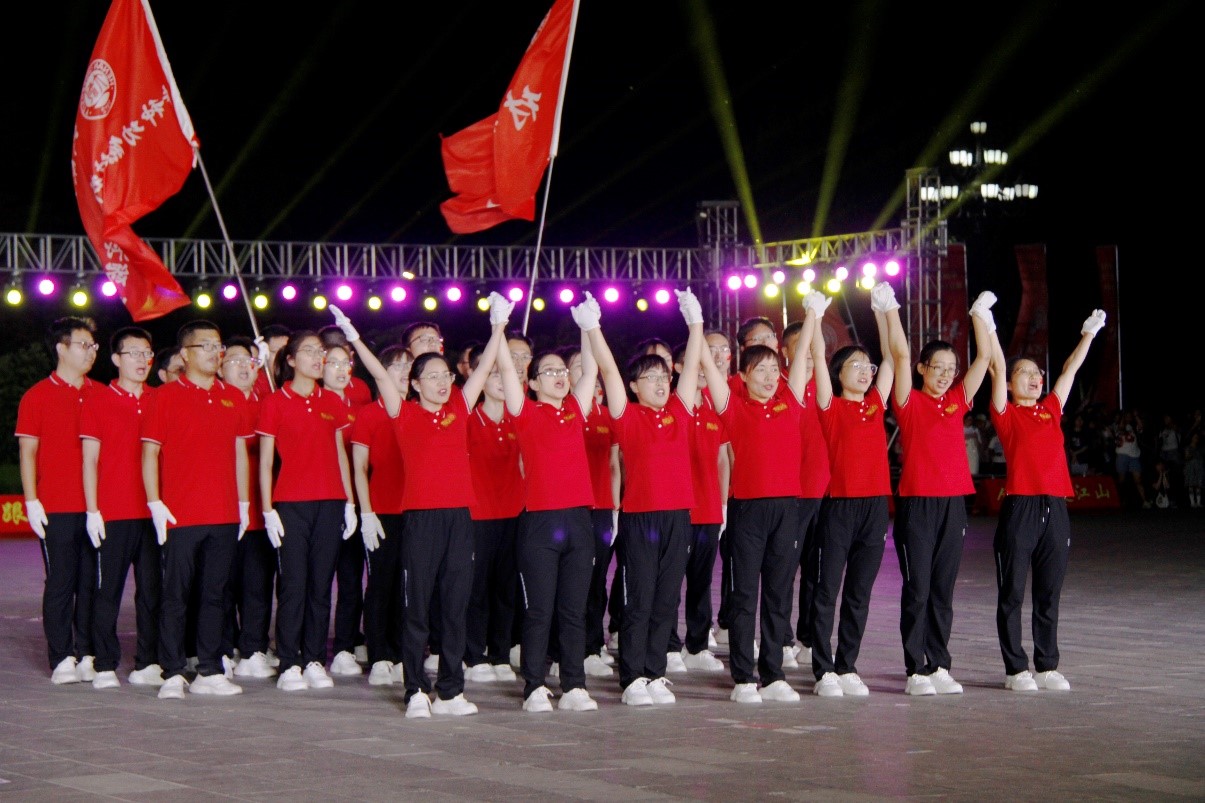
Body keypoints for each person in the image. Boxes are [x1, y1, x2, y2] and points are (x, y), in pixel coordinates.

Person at [335, 302, 506, 718]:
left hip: (459, 519)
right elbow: (379, 374)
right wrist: (353, 335)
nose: (443, 382)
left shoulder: (459, 408)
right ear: (414, 383)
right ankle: (416, 690)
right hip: (420, 520)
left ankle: (451, 691)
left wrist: (498, 325)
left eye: (447, 375)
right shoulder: (404, 413)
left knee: (455, 606)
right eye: (433, 376)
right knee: (416, 608)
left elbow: (484, 368)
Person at [587, 289, 704, 706]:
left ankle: (655, 672)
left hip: (678, 517)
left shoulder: (679, 413)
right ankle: (632, 676)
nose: (660, 383)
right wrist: (593, 328)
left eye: (664, 377)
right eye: (650, 378)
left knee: (667, 599)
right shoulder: (627, 415)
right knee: (638, 598)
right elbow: (608, 369)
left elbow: (692, 365)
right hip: (641, 519)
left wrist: (695, 324)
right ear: (635, 386)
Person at [701, 298, 818, 704]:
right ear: (744, 376)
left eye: (773, 369)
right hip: (748, 510)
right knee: (744, 595)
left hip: (787, 508)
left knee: (778, 594)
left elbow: (800, 360)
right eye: (760, 371)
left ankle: (773, 674)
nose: (769, 377)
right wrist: (696, 325)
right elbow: (711, 371)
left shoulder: (791, 405)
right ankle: (743, 677)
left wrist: (813, 315)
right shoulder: (733, 409)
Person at [989, 308, 1107, 692]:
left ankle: (1047, 665)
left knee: (1049, 592)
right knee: (1012, 593)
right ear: (1009, 385)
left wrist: (1088, 334)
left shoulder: (1051, 410)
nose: (1035, 377)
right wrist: (988, 326)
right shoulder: (1006, 414)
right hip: (1020, 507)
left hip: (1055, 507)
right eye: (1025, 373)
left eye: (1037, 372)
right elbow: (995, 366)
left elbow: (1069, 370)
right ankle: (1015, 669)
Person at [496, 296, 602, 713]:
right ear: (534, 383)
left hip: (579, 520)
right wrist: (499, 327)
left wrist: (587, 327)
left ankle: (574, 685)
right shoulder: (524, 411)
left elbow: (590, 370)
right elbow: (508, 371)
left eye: (562, 370)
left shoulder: (575, 409)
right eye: (550, 372)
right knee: (539, 610)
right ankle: (535, 686)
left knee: (574, 609)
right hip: (539, 523)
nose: (559, 376)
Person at [888, 289, 996, 696]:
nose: (947, 374)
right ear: (922, 368)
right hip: (917, 503)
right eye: (939, 367)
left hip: (953, 504)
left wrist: (979, 316)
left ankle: (939, 664)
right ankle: (916, 669)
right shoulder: (909, 402)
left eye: (952, 368)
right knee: (918, 588)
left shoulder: (956, 402)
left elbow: (984, 359)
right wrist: (890, 309)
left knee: (942, 589)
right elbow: (899, 356)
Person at [142, 321, 251, 700]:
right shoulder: (164, 397)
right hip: (181, 514)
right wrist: (155, 503)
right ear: (184, 354)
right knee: (176, 594)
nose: (214, 353)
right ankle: (172, 670)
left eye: (218, 346)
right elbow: (150, 453)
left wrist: (243, 503)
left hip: (223, 514)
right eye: (205, 346)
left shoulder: (232, 397)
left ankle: (209, 669)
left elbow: (240, 452)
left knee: (215, 594)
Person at [808, 285, 897, 698]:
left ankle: (847, 665)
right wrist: (814, 314)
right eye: (855, 365)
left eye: (867, 365)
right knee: (827, 589)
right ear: (839, 373)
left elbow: (894, 357)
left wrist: (883, 311)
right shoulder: (830, 405)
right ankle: (823, 669)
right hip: (838, 508)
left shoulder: (875, 405)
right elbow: (815, 357)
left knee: (860, 592)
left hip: (875, 509)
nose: (865, 371)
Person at [258, 332, 357, 692]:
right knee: (294, 585)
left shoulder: (331, 401)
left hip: (330, 502)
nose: (318, 358)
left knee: (321, 584)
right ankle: (289, 661)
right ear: (290, 359)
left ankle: (315, 659)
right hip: (291, 504)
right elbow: (265, 461)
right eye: (310, 352)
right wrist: (267, 509)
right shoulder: (275, 402)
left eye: (321, 352)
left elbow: (340, 453)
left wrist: (349, 502)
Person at [16, 316, 100, 685]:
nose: (91, 352)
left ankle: (87, 653)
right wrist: (32, 501)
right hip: (57, 506)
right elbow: (28, 452)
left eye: (94, 346)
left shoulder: (100, 394)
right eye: (83, 345)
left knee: (92, 582)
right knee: (62, 581)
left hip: (97, 507)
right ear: (61, 348)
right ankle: (62, 656)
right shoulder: (37, 396)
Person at [80, 326, 164, 689]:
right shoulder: (98, 401)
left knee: (152, 591)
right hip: (113, 513)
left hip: (153, 513)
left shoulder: (160, 400)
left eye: (147, 353)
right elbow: (89, 460)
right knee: (107, 591)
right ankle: (104, 664)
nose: (142, 360)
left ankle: (148, 662)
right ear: (116, 359)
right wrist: (92, 510)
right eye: (134, 353)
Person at [667, 333, 730, 673]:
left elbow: (722, 460)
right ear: (680, 368)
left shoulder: (714, 408)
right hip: (677, 509)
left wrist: (723, 505)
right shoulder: (671, 408)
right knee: (670, 581)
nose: (705, 371)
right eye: (697, 366)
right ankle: (667, 645)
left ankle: (697, 644)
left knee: (701, 581)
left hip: (707, 510)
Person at [463, 344, 524, 684]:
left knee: (506, 587)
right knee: (477, 589)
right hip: (478, 516)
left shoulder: (520, 419)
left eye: (507, 375)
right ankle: (474, 654)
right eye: (495, 374)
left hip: (513, 513)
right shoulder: (469, 420)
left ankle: (501, 653)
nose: (502, 381)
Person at [219, 336, 278, 681]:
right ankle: (224, 646)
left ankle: (254, 647)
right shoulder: (215, 401)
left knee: (257, 584)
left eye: (251, 361)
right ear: (220, 366)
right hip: (222, 509)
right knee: (222, 583)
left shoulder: (266, 403)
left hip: (259, 509)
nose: (245, 367)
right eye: (236, 360)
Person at [350, 344, 409, 687]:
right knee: (381, 584)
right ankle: (379, 655)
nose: (404, 372)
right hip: (382, 512)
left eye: (408, 366)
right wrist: (367, 512)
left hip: (413, 512)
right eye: (397, 366)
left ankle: (401, 653)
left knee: (407, 585)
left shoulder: (416, 411)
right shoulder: (370, 414)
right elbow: (360, 467)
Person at [561, 344, 620, 678]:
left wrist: (614, 507)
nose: (587, 372)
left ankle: (592, 645)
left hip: (600, 509)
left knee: (597, 580)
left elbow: (613, 464)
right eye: (578, 366)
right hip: (570, 508)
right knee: (571, 580)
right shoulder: (564, 413)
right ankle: (565, 647)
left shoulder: (607, 416)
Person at [317, 330, 370, 676]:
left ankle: (345, 646)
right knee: (318, 579)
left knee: (351, 579)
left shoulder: (359, 404)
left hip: (355, 503)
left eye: (345, 363)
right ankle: (309, 647)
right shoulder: (311, 403)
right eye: (331, 363)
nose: (340, 369)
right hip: (320, 501)